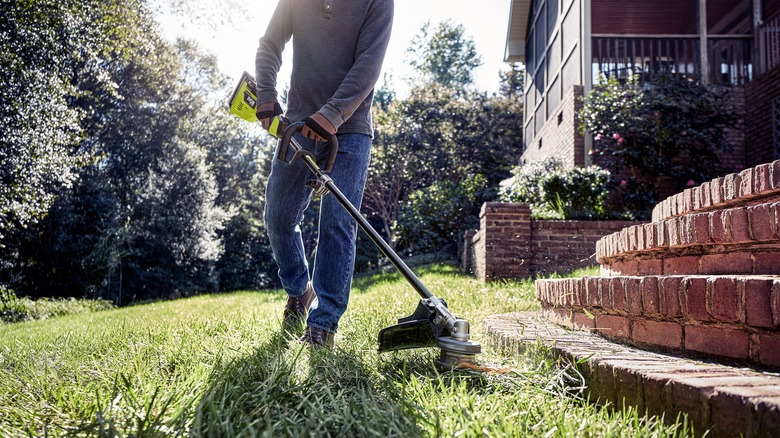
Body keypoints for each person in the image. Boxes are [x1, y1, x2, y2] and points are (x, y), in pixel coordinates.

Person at [255, 0, 394, 348]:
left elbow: (369, 65)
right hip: (298, 123)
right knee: (279, 217)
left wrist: (332, 114)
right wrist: (267, 93)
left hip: (349, 128)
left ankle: (323, 324)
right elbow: (269, 44)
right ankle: (299, 290)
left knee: (337, 222)